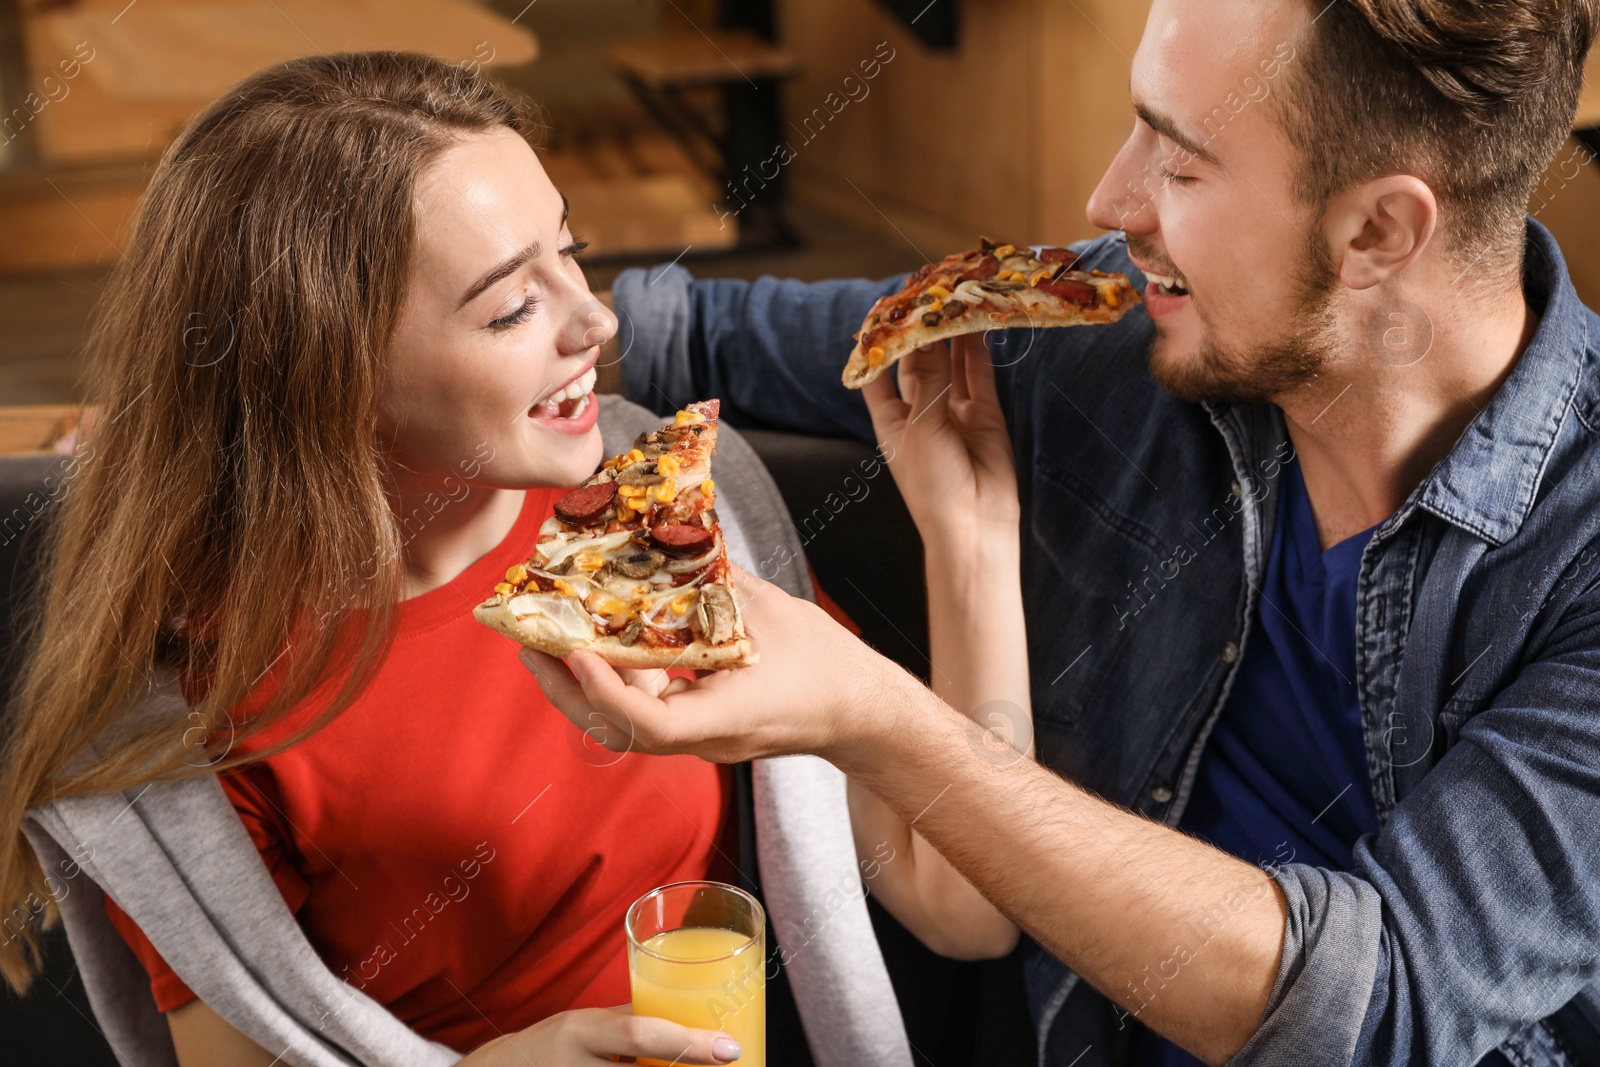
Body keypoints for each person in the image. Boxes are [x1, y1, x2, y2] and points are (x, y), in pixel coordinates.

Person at [525, 1, 1600, 1064]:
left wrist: (870, 711)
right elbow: (693, 335)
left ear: (1376, 230)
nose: (1108, 197)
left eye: (1179, 164)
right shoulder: (1112, 319)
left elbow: (1376, 1011)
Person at [0, 50, 966, 1067]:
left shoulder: (658, 515)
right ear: (332, 375)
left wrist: (962, 535)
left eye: (571, 251)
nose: (596, 320)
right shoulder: (193, 696)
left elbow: (958, 903)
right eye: (510, 307)